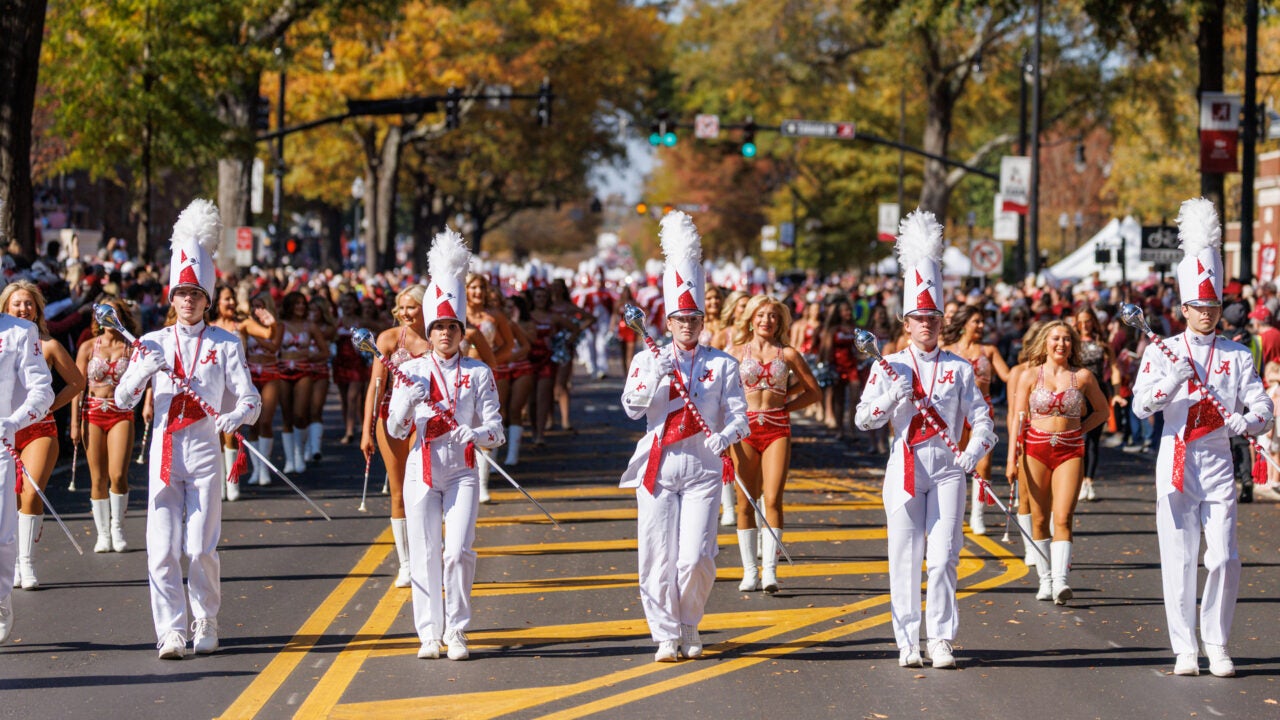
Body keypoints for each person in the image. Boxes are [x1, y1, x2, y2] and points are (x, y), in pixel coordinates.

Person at [1131, 198, 1273, 678]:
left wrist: (1247, 421)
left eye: (1213, 307)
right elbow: (1139, 405)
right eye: (1198, 307)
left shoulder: (1237, 355)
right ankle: (1185, 647)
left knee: (1225, 556)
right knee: (1179, 557)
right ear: (1184, 308)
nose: (1207, 314)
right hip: (1175, 459)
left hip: (1216, 462)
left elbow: (1265, 409)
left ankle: (1217, 641)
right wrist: (1169, 383)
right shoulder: (1162, 350)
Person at [113, 200, 261, 659]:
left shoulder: (226, 342)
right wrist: (140, 373)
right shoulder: (151, 342)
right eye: (181, 294)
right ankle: (171, 630)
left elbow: (251, 399)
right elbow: (121, 399)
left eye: (196, 294)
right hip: (163, 451)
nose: (188, 301)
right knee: (161, 549)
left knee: (198, 546)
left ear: (207, 299)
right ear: (171, 298)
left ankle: (206, 616)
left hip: (204, 452)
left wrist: (237, 417)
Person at [854, 210, 995, 670]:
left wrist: (976, 449)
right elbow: (863, 420)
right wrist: (891, 396)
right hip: (907, 464)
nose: (927, 324)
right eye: (919, 318)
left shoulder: (958, 367)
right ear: (906, 321)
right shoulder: (887, 363)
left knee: (943, 557)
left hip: (950, 467)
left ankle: (941, 637)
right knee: (904, 556)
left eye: (933, 317)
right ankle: (907, 638)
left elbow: (982, 418)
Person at [619, 212, 749, 662]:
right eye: (680, 318)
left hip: (704, 467)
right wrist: (652, 378)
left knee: (696, 556)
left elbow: (740, 415)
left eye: (694, 317)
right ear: (668, 321)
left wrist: (727, 434)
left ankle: (690, 621)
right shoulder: (646, 357)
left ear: (702, 319)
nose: (687, 325)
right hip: (658, 464)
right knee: (656, 555)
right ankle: (665, 634)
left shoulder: (723, 364)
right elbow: (632, 408)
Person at [386, 229, 504, 662]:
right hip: (422, 469)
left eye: (452, 327)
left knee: (457, 551)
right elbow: (397, 430)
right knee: (424, 553)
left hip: (463, 471)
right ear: (429, 330)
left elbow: (497, 430)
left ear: (461, 331)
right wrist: (406, 406)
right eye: (438, 327)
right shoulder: (411, 371)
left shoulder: (477, 374)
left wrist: (478, 433)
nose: (445, 334)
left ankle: (457, 630)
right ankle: (429, 633)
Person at [1007, 320, 1108, 604]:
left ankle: (1062, 581)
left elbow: (1102, 411)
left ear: (1073, 345)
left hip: (1070, 450)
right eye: (1055, 339)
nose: (1061, 344)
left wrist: (1079, 429)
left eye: (1066, 339)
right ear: (1045, 343)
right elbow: (1017, 417)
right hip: (1034, 449)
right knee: (1039, 518)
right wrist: (1011, 459)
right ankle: (1046, 579)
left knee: (1062, 517)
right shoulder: (1029, 375)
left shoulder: (1084, 376)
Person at [728, 295, 821, 593]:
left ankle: (770, 571)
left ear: (780, 322)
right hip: (744, 429)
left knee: (772, 499)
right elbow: (721, 393)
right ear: (751, 318)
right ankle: (749, 572)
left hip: (777, 429)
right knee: (745, 502)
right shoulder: (734, 353)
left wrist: (784, 407)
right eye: (762, 315)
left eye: (773, 316)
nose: (767, 320)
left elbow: (813, 391)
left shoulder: (789, 354)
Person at [0, 280, 86, 589]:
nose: (23, 308)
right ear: (6, 307)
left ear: (37, 308)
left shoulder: (47, 343)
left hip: (37, 429)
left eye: (28, 303)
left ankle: (26, 563)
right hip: (4, 431)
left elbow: (76, 382)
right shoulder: (4, 338)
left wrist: (48, 407)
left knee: (30, 492)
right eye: (17, 303)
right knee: (7, 500)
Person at [361, 285, 432, 588]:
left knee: (428, 487)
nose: (405, 313)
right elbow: (375, 388)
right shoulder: (388, 339)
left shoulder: (437, 338)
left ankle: (428, 551)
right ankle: (406, 563)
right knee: (399, 489)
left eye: (412, 307)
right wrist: (367, 430)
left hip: (427, 418)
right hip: (392, 418)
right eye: (401, 308)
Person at [0, 302, 54, 642]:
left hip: (1, 440)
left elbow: (42, 389)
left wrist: (14, 422)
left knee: (2, 532)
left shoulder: (21, 332)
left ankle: (1, 596)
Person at [71, 296, 138, 552]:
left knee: (118, 475)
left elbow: (147, 380)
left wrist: (149, 403)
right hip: (92, 414)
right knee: (97, 477)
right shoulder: (88, 347)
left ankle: (118, 527)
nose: (110, 316)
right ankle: (103, 534)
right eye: (105, 311)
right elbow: (77, 386)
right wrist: (75, 424)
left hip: (121, 413)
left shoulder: (131, 348)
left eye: (115, 311)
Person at [941, 305, 1010, 535]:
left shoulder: (989, 350)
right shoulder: (947, 350)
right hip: (956, 412)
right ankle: (956, 511)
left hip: (983, 410)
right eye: (977, 321)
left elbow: (1008, 376)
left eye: (982, 322)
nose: (981, 326)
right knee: (958, 463)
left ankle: (977, 515)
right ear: (964, 324)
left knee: (984, 464)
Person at [1073, 308, 1114, 502]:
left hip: (1099, 393)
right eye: (1081, 321)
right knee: (1081, 436)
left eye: (1088, 321)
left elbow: (1114, 368)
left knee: (1094, 440)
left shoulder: (1101, 344)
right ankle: (1080, 480)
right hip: (1079, 394)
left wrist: (1114, 394)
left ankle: (1089, 481)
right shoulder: (1072, 343)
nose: (1084, 325)